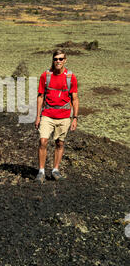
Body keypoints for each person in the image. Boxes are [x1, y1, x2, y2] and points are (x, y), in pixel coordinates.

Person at [34, 49, 79, 183]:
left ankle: (55, 170)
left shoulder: (70, 77)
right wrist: (38, 116)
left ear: (65, 60)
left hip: (64, 116)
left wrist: (75, 118)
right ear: (52, 60)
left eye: (60, 59)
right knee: (43, 141)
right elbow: (40, 96)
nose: (58, 61)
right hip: (47, 114)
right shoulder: (46, 76)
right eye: (56, 59)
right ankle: (41, 171)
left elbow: (75, 99)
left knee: (60, 143)